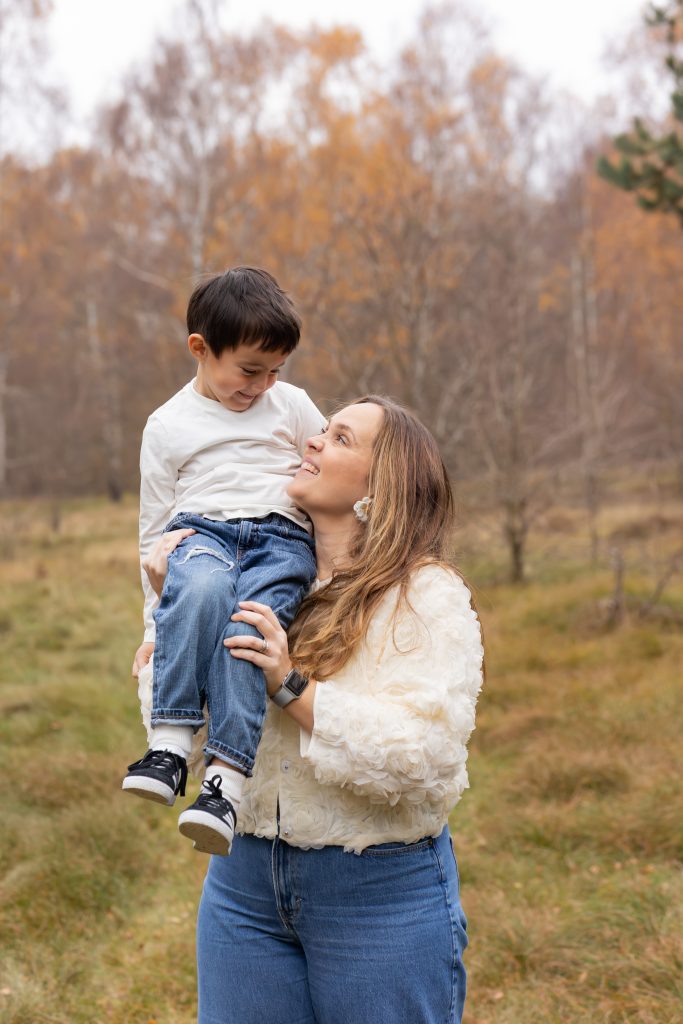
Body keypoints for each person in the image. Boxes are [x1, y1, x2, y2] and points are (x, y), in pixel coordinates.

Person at [142, 395, 484, 1023]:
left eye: (341, 438)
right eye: (322, 429)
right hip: (241, 886)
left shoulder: (426, 597)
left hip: (378, 893)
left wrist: (291, 686)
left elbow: (425, 759)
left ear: (381, 486)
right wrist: (178, 617)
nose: (314, 442)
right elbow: (183, 739)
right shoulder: (248, 574)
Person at [122, 266, 325, 856]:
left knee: (248, 630)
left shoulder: (291, 406)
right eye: (249, 370)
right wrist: (153, 624)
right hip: (200, 535)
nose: (262, 385)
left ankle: (223, 783)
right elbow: (153, 533)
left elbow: (336, 469)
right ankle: (169, 745)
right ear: (200, 349)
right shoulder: (166, 426)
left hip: (279, 539)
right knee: (204, 592)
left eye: (275, 371)